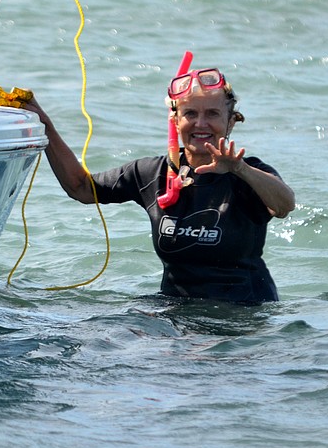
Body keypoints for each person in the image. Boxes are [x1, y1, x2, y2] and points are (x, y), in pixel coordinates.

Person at [24, 58, 295, 305]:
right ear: (175, 120)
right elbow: (81, 188)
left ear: (230, 122)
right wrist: (44, 125)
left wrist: (239, 169)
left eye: (212, 114)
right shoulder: (152, 174)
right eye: (190, 113)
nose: (200, 123)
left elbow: (284, 205)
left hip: (243, 313)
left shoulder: (250, 173)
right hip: (177, 308)